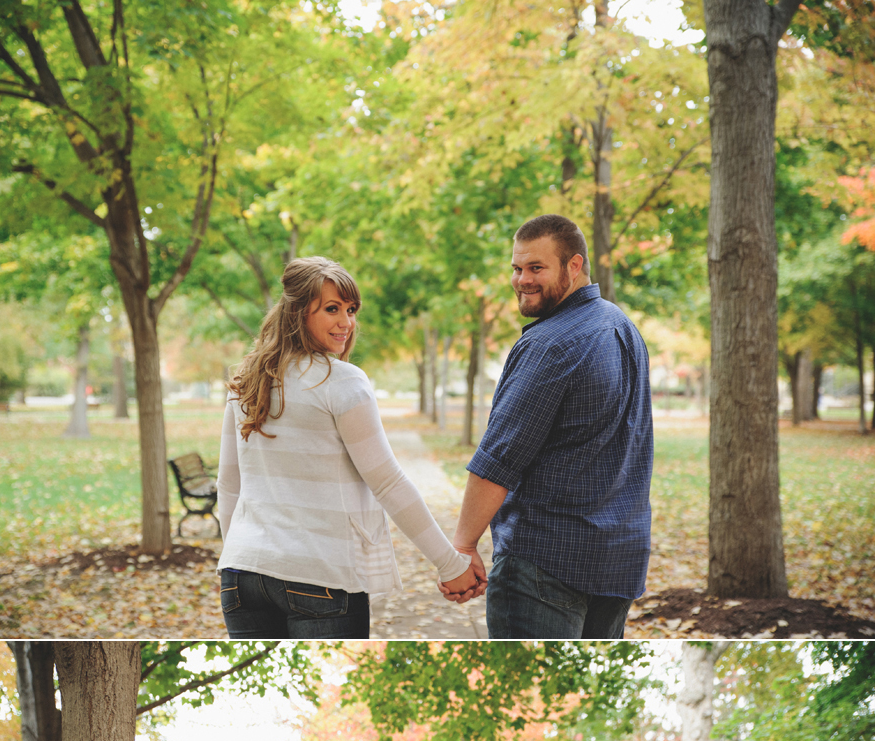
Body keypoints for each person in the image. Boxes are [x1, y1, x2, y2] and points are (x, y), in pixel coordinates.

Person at [215, 255, 483, 639]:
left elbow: (228, 485)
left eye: (351, 309)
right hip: (319, 577)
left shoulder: (246, 379)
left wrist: (239, 552)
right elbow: (387, 482)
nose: (346, 322)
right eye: (331, 309)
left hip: (241, 578)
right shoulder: (341, 382)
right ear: (297, 314)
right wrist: (449, 564)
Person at [442, 212, 653, 641]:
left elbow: (498, 460)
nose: (522, 280)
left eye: (537, 268)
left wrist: (462, 548)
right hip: (618, 560)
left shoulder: (548, 343)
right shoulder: (623, 327)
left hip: (544, 564)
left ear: (574, 266)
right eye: (517, 269)